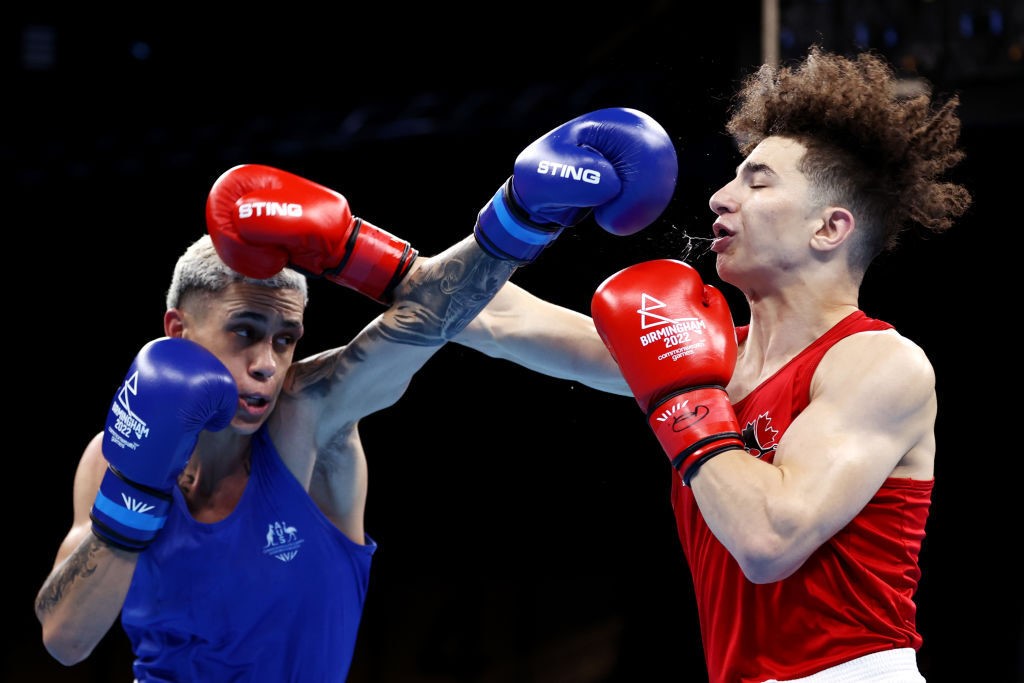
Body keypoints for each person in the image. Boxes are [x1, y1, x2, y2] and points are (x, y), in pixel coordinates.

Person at [32, 107, 679, 682]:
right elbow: (65, 639)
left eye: (285, 339)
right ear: (177, 331)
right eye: (244, 332)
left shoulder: (307, 418)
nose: (266, 364)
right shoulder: (112, 455)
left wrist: (518, 216)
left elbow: (426, 321)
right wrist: (136, 491)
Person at [454, 45, 971, 681]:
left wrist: (683, 401)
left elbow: (770, 539)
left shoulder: (879, 362)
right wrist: (363, 251)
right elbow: (499, 321)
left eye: (758, 181)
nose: (720, 199)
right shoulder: (711, 357)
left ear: (829, 229)